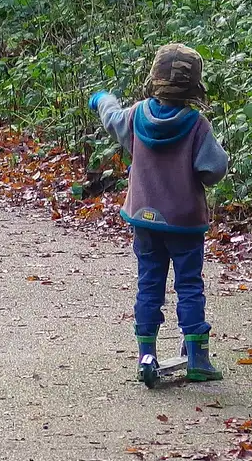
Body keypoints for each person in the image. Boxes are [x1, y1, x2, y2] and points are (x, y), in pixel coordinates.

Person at [89, 43, 229, 384]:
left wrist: (102, 98)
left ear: (154, 80)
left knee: (149, 284)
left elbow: (111, 117)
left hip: (145, 219)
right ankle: (197, 357)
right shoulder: (197, 125)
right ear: (194, 87)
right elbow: (214, 169)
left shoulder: (137, 115)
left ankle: (145, 353)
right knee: (189, 285)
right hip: (184, 223)